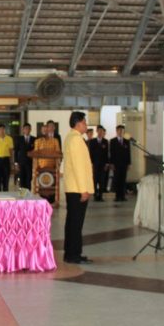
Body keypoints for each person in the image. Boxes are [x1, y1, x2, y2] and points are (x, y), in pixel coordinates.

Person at [63, 112, 94, 265]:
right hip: (77, 188)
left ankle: (70, 253)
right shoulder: (75, 140)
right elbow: (78, 167)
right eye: (84, 122)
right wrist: (83, 189)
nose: (86, 125)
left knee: (72, 222)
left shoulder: (70, 137)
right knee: (75, 223)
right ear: (78, 123)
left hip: (73, 187)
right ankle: (74, 254)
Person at [88, 125, 110, 202]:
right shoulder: (92, 141)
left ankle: (100, 195)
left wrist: (107, 163)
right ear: (97, 131)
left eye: (102, 131)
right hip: (95, 164)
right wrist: (91, 163)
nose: (100, 132)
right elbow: (90, 153)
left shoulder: (105, 141)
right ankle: (95, 195)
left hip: (103, 164)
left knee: (102, 180)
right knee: (95, 179)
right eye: (99, 130)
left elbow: (107, 153)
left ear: (103, 132)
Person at [110, 125, 132, 201]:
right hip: (116, 164)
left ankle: (122, 196)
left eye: (122, 130)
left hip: (124, 164)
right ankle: (117, 196)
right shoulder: (113, 141)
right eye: (119, 130)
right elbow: (111, 153)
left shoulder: (126, 141)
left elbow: (128, 153)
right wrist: (112, 163)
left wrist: (129, 163)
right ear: (116, 131)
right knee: (117, 179)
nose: (121, 132)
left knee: (123, 180)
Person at [14, 123, 35, 190]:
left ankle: (28, 194)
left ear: (30, 129)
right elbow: (16, 151)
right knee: (22, 179)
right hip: (21, 162)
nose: (27, 130)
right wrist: (16, 163)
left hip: (30, 162)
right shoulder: (19, 139)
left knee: (29, 179)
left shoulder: (34, 139)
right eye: (25, 129)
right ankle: (22, 194)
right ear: (23, 130)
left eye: (28, 128)